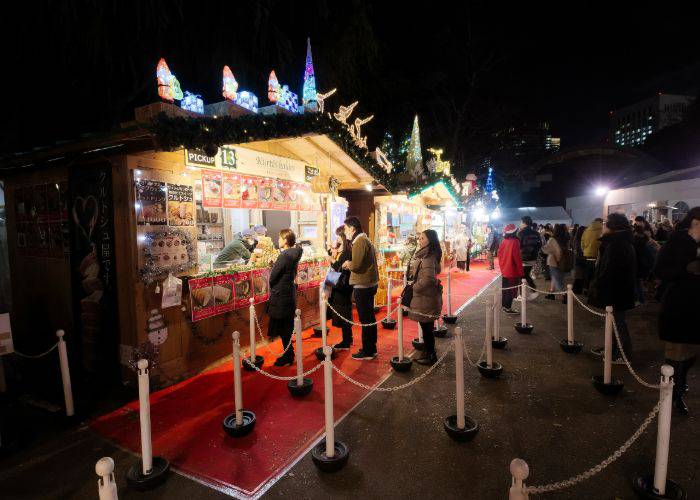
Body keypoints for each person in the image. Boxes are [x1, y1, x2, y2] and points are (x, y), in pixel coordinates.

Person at [653, 207, 700, 414]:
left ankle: (679, 386)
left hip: (697, 307)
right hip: (679, 306)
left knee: (691, 354)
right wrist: (686, 269)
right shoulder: (677, 241)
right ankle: (674, 394)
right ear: (696, 222)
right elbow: (660, 270)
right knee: (676, 354)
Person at [588, 213, 637, 363]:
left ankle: (623, 354)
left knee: (618, 323)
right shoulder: (616, 242)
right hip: (617, 290)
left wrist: (598, 284)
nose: (603, 226)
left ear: (613, 227)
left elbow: (610, 270)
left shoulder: (617, 245)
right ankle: (611, 349)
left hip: (617, 291)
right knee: (613, 322)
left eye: (605, 224)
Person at [341, 216, 380, 360]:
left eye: (346, 229)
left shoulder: (359, 241)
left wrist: (347, 263)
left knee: (366, 319)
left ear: (352, 228)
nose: (345, 232)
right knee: (369, 317)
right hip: (368, 283)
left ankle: (368, 350)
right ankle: (371, 348)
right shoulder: (363, 240)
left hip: (363, 284)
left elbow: (356, 265)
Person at [407, 229, 444, 365]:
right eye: (420, 238)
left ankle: (431, 355)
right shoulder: (427, 254)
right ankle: (428, 351)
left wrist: (414, 287)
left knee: (427, 327)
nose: (420, 240)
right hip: (427, 297)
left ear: (430, 240)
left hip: (425, 297)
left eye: (423, 238)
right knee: (426, 326)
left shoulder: (428, 256)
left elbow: (429, 278)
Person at [266, 229, 303, 366]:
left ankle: (288, 356)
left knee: (283, 328)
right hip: (289, 292)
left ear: (286, 241)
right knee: (287, 326)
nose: (278, 240)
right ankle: (289, 354)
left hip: (280, 294)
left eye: (280, 238)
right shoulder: (294, 253)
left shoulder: (284, 255)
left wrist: (274, 268)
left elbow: (273, 278)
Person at [329, 226, 354, 350]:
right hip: (340, 284)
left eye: (338, 236)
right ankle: (348, 339)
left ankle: (346, 341)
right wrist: (333, 251)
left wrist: (332, 260)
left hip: (343, 285)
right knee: (343, 310)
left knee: (344, 311)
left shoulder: (347, 252)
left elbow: (340, 267)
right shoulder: (341, 250)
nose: (336, 238)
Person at [497, 224, 524, 314]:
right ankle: (508, 308)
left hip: (505, 269)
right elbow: (517, 258)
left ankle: (504, 306)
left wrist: (503, 266)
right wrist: (521, 272)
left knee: (505, 289)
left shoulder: (504, 241)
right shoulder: (515, 242)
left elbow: (499, 254)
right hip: (512, 270)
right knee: (511, 290)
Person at [542, 224, 570, 302]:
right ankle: (551, 293)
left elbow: (546, 249)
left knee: (558, 280)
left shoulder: (552, 239)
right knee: (554, 277)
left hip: (554, 261)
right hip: (562, 262)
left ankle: (565, 296)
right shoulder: (565, 238)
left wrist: (541, 245)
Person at [517, 216, 541, 300]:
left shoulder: (521, 233)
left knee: (522, 276)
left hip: (523, 258)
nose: (520, 224)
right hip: (533, 258)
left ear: (524, 223)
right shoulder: (536, 233)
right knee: (525, 275)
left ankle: (526, 294)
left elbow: (518, 246)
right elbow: (539, 245)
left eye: (521, 222)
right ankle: (530, 292)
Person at [580, 218, 604, 293]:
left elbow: (582, 243)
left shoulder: (587, 230)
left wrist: (585, 251)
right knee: (596, 274)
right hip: (598, 255)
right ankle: (594, 291)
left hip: (587, 255)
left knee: (587, 273)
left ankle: (585, 289)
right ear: (601, 222)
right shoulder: (602, 230)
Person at [572, 225, 587, 294]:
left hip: (578, 258)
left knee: (579, 275)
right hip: (580, 258)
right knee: (579, 276)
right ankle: (577, 290)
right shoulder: (579, 240)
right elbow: (579, 250)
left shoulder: (576, 238)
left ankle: (578, 289)